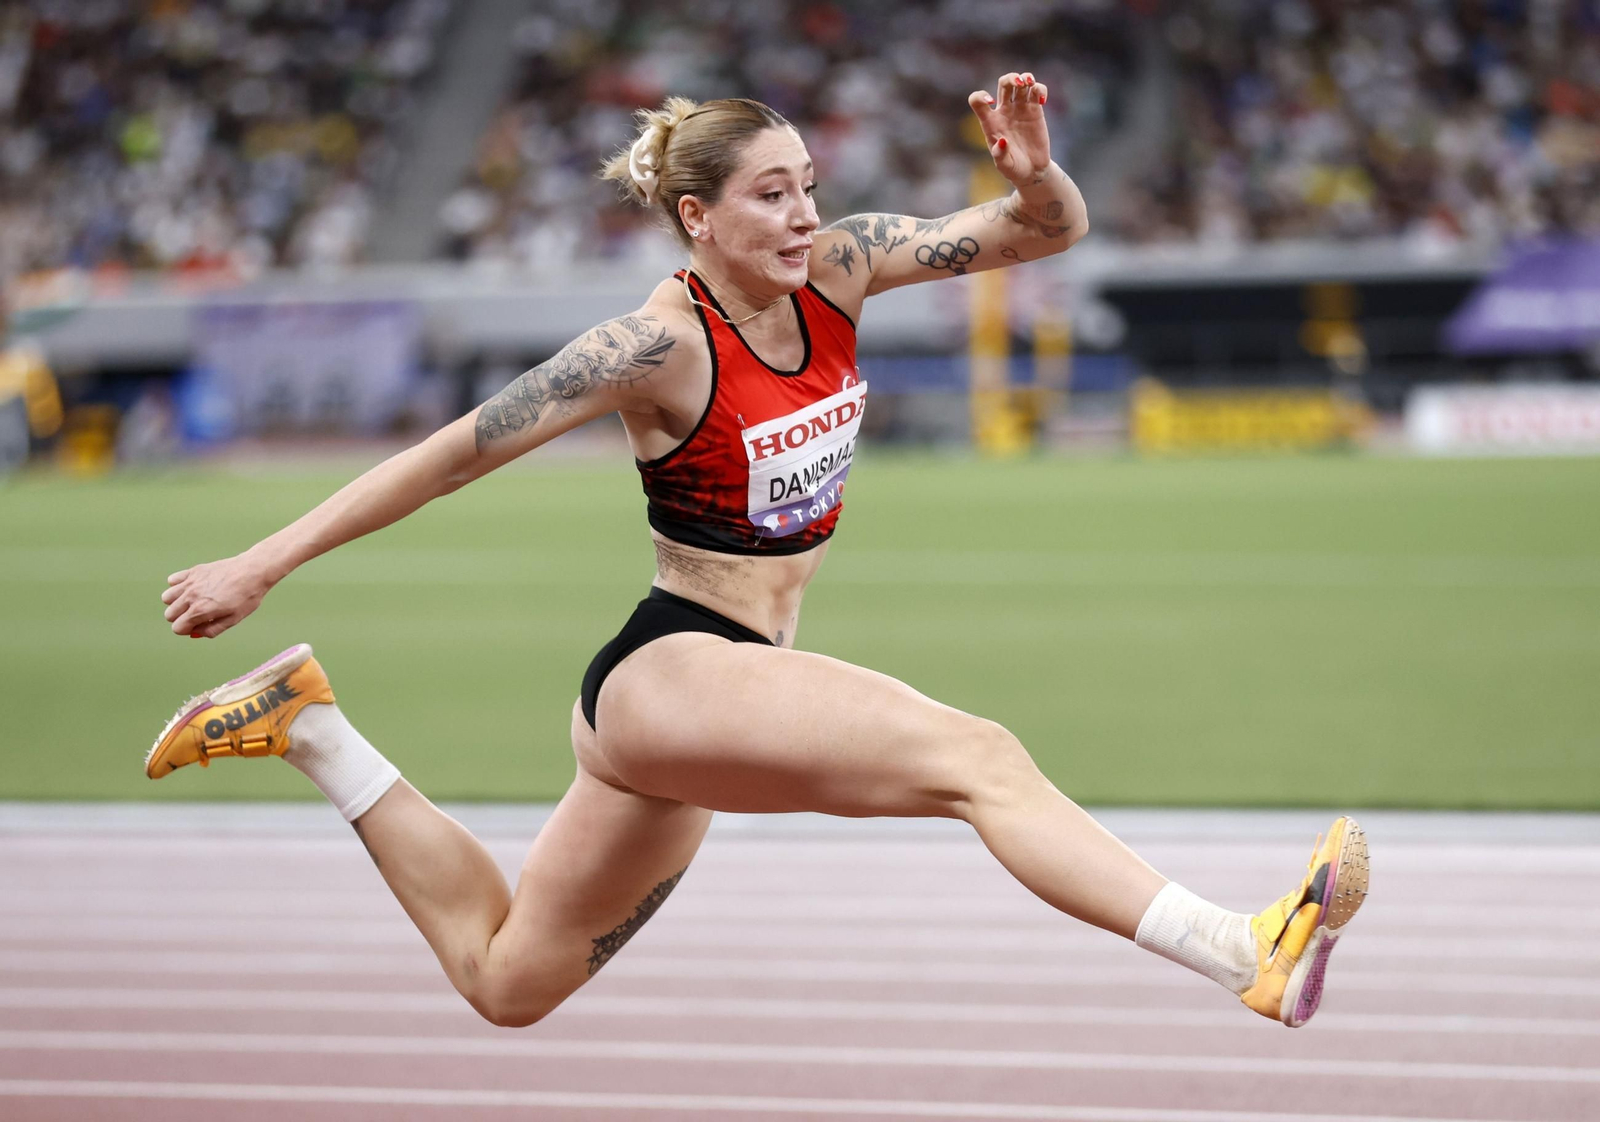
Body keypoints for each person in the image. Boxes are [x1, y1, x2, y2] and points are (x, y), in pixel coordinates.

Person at [150, 73, 1368, 1030]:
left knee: (507, 982)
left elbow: (1038, 233)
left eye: (807, 186)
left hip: (710, 699)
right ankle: (1235, 948)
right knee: (978, 758)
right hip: (671, 672)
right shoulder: (649, 348)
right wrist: (263, 562)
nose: (804, 215)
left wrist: (1038, 175)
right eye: (771, 195)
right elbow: (456, 452)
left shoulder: (841, 270)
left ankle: (309, 725)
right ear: (699, 217)